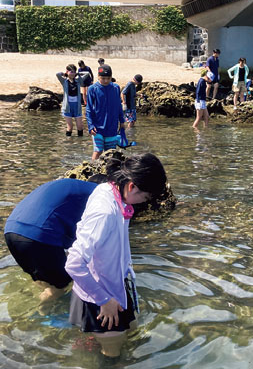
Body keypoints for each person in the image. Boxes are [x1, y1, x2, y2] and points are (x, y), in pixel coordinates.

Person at [66, 153, 168, 358]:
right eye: (145, 197)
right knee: (114, 356)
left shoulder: (109, 189)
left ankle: (89, 340)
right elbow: (74, 263)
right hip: (101, 297)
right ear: (132, 186)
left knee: (132, 334)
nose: (143, 203)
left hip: (115, 285)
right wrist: (104, 301)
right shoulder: (105, 212)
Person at [4, 179, 98, 302]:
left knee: (43, 281)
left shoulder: (75, 188)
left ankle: (39, 305)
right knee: (61, 287)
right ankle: (41, 314)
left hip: (11, 229)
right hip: (37, 237)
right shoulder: (101, 195)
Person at [86, 64, 125, 160]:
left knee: (110, 153)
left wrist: (122, 121)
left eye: (108, 78)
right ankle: (92, 170)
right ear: (98, 77)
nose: (106, 81)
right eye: (103, 78)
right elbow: (89, 109)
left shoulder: (116, 88)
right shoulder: (92, 89)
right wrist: (90, 125)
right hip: (97, 127)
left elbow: (118, 105)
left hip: (112, 126)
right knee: (98, 150)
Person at [56, 64, 91, 137]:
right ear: (67, 72)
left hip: (77, 106)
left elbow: (87, 73)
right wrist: (64, 73)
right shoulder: (64, 81)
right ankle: (68, 143)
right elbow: (58, 74)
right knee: (70, 127)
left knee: (80, 126)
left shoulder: (78, 81)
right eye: (71, 72)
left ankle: (80, 142)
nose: (72, 73)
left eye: (74, 72)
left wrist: (78, 73)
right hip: (67, 107)